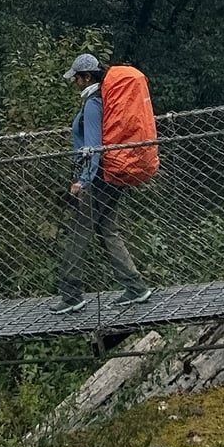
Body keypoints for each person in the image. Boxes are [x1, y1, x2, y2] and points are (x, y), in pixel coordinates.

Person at [51, 54, 153, 314]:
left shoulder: (94, 104)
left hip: (99, 177)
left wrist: (82, 181)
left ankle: (71, 293)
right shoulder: (100, 99)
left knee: (79, 230)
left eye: (76, 77)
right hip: (112, 175)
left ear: (86, 77)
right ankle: (135, 287)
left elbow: (93, 146)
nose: (74, 82)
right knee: (107, 229)